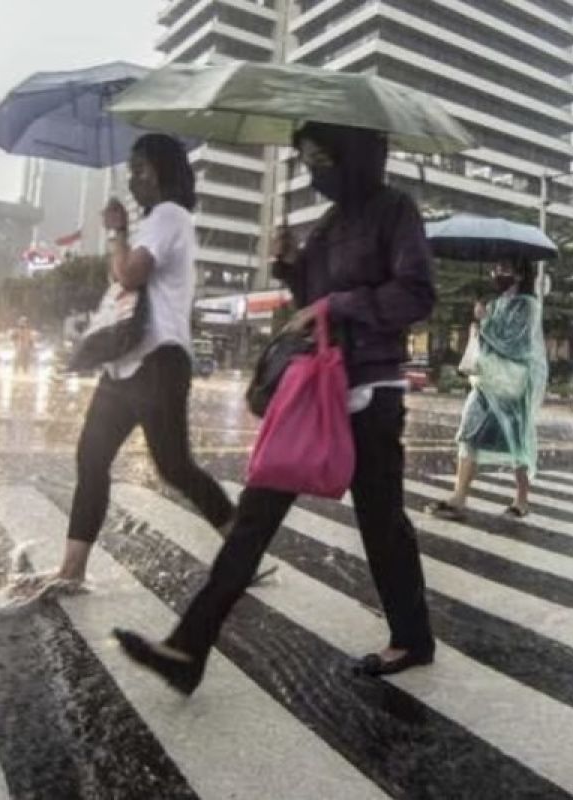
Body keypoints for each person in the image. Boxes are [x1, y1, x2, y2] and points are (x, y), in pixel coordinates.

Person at [114, 121, 437, 693]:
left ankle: (412, 637)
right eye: (307, 161)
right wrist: (292, 267)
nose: (315, 173)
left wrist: (338, 302)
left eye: (322, 159)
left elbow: (416, 294)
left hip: (372, 394)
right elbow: (309, 306)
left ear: (353, 155)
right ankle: (188, 649)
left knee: (381, 523)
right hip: (314, 388)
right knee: (255, 516)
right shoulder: (330, 222)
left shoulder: (397, 211)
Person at [18, 134, 234, 595]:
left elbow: (131, 274)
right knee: (91, 457)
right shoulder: (157, 222)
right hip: (124, 363)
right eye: (131, 170)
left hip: (158, 361)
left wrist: (116, 231)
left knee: (175, 466)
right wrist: (122, 236)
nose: (133, 179)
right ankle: (71, 569)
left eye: (141, 170)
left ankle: (243, 551)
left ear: (165, 171)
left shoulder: (170, 215)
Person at [427, 258, 548, 520]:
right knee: (468, 432)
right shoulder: (493, 304)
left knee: (516, 440)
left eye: (504, 268)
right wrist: (479, 326)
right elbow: (488, 344)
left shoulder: (528, 306)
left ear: (518, 274)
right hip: (486, 380)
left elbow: (515, 344)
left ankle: (522, 499)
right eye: (495, 269)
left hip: (511, 384)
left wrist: (487, 324)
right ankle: (459, 497)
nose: (497, 273)